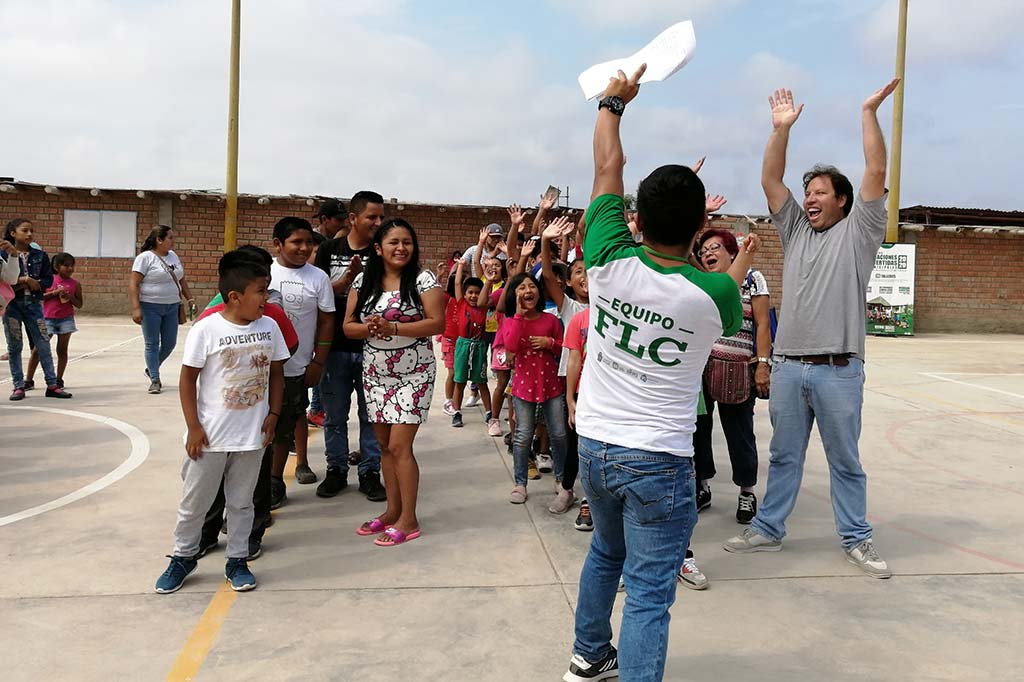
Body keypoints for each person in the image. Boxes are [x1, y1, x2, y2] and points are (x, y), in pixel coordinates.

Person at [564, 65, 752, 682]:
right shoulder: (715, 296)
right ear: (702, 230)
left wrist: (614, 103)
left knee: (603, 552)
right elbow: (727, 284)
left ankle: (588, 656)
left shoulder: (608, 259)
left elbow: (605, 173)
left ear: (634, 218)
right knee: (648, 592)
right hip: (659, 456)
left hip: (595, 444)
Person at [723, 81, 900, 580]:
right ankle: (768, 529)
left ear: (843, 201)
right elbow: (770, 179)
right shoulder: (797, 230)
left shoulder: (860, 231)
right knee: (783, 456)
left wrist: (868, 112)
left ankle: (857, 538)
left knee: (845, 460)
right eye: (808, 192)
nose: (810, 198)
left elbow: (876, 171)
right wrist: (780, 129)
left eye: (820, 192)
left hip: (838, 369)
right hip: (787, 367)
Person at [153, 252, 289, 594]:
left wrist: (273, 415)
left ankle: (237, 560)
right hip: (210, 438)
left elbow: (276, 373)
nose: (266, 298)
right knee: (194, 503)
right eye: (261, 291)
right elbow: (187, 381)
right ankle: (182, 557)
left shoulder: (269, 326)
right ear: (235, 297)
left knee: (242, 503)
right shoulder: (207, 329)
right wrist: (195, 427)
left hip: (251, 437)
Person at [343, 218, 444, 546]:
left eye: (407, 242)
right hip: (376, 373)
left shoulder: (422, 279)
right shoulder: (363, 281)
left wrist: (394, 328)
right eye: (393, 242)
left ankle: (409, 519)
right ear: (378, 248)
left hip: (415, 374)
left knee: (401, 446)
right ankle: (391, 511)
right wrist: (371, 328)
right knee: (384, 446)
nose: (401, 248)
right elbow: (348, 326)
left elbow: (436, 323)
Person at [195, 246, 299, 562]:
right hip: (219, 417)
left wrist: (271, 407)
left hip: (258, 413)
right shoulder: (211, 318)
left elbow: (288, 349)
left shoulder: (272, 316)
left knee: (255, 476)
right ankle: (207, 533)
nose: (264, 295)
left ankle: (253, 531)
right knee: (212, 477)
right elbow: (196, 369)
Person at [691, 229, 772, 523]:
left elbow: (763, 325)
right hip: (701, 367)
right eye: (703, 251)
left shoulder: (752, 279)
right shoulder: (703, 282)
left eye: (714, 248)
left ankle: (747, 492)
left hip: (738, 368)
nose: (707, 254)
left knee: (739, 432)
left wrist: (763, 364)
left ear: (731, 252)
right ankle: (702, 486)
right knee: (698, 430)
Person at [313, 191, 387, 502]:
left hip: (372, 348)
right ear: (353, 218)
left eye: (381, 217)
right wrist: (345, 282)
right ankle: (336, 470)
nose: (378, 223)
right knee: (334, 414)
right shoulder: (329, 250)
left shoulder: (383, 251)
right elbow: (318, 294)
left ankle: (370, 471)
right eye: (372, 217)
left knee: (371, 414)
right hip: (336, 348)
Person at [268, 217, 335, 508]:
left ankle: (285, 475)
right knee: (266, 425)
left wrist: (318, 361)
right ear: (278, 244)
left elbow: (326, 319)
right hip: (262, 368)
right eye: (297, 242)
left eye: (309, 242)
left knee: (291, 420)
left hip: (297, 366)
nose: (304, 247)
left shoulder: (318, 277)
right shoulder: (264, 271)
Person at [502, 271, 565, 505]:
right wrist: (519, 316)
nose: (528, 291)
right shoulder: (511, 321)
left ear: (539, 292)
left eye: (532, 286)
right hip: (523, 387)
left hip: (552, 385)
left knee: (558, 434)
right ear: (514, 294)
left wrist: (550, 343)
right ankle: (520, 483)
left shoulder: (550, 320)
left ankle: (561, 480)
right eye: (521, 288)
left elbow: (563, 349)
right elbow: (510, 346)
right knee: (522, 436)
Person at [541, 214, 589, 515]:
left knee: (594, 442)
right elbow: (547, 275)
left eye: (589, 270)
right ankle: (568, 487)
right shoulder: (569, 306)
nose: (585, 275)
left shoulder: (611, 304)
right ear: (569, 281)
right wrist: (546, 241)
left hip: (604, 383)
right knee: (571, 438)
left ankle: (592, 496)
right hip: (571, 382)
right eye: (578, 272)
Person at [3, 219, 73, 400]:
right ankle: (18, 386)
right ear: (12, 233)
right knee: (14, 346)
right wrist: (25, 280)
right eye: (24, 230)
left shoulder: (40, 255)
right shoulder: (3, 254)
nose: (29, 234)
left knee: (43, 343)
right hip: (11, 306)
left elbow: (48, 280)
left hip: (34, 304)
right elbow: (5, 280)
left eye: (31, 231)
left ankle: (52, 385)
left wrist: (37, 284)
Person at [129, 225, 196, 394]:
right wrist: (136, 308)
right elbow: (134, 284)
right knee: (152, 343)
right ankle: (155, 379)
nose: (173, 241)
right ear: (159, 240)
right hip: (150, 306)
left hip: (172, 306)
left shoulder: (173, 256)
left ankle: (151, 367)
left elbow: (182, 280)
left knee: (169, 343)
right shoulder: (145, 258)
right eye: (170, 238)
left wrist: (191, 299)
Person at [449, 242, 495, 429]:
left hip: (479, 347)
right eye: (471, 293)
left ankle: (490, 413)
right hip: (463, 345)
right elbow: (458, 282)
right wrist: (460, 265)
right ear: (465, 294)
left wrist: (489, 279)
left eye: (477, 292)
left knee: (481, 381)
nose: (474, 296)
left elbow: (485, 291)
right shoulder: (461, 303)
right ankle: (456, 412)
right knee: (459, 381)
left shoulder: (483, 306)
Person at [25, 252, 83, 389]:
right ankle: (28, 379)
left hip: (66, 320)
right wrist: (53, 293)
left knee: (62, 350)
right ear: (57, 267)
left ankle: (59, 379)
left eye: (72, 266)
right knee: (38, 349)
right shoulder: (49, 280)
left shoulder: (75, 284)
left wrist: (70, 297)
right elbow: (39, 297)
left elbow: (79, 304)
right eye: (66, 265)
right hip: (47, 318)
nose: (70, 269)